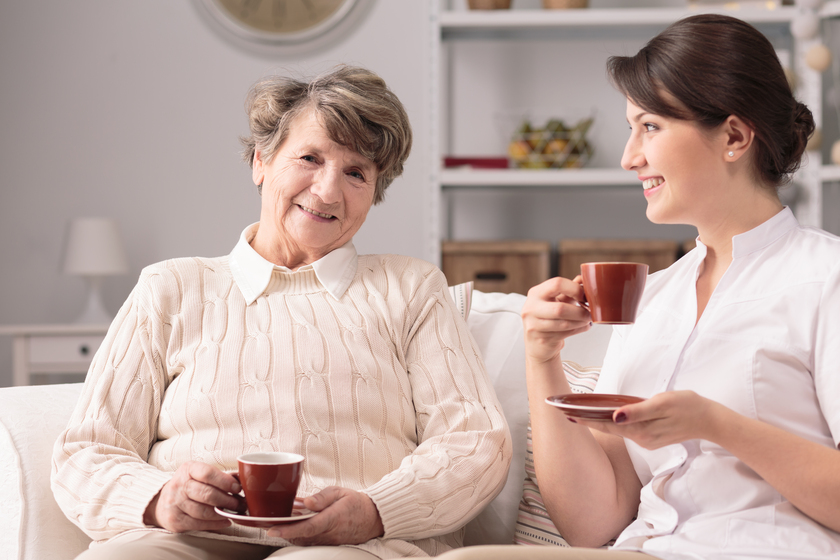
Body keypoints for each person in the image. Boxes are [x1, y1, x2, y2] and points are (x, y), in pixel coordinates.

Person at [52, 65, 512, 560]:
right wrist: (161, 500)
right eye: (310, 158)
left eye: (356, 173)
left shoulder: (412, 288)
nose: (328, 191)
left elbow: (475, 442)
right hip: (183, 540)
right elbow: (87, 450)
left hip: (353, 544)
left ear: (374, 192)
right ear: (260, 162)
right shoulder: (171, 288)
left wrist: (377, 509)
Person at [437, 13, 840, 560]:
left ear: (735, 136)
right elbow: (593, 523)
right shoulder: (653, 297)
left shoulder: (828, 279)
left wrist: (716, 424)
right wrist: (543, 357)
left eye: (649, 127)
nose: (630, 157)